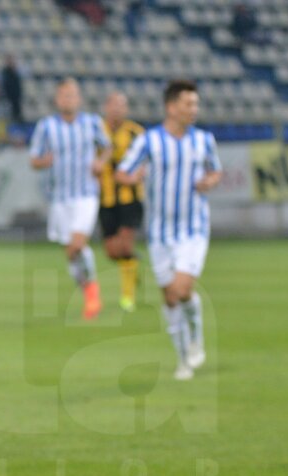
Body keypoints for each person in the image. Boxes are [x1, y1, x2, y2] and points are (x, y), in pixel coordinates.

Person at [116, 79, 222, 381]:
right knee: (170, 298)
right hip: (160, 232)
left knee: (182, 288)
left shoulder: (203, 140)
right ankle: (182, 360)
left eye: (195, 104)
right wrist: (133, 177)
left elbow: (215, 171)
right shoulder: (149, 141)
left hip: (194, 228)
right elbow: (122, 172)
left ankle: (196, 336)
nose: (194, 109)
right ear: (171, 107)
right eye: (189, 104)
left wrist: (209, 182)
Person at [29, 78, 110, 320]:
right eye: (64, 96)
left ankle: (93, 294)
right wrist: (45, 161)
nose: (69, 100)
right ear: (57, 100)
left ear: (79, 99)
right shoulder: (46, 127)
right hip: (59, 197)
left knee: (77, 243)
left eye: (73, 95)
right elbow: (34, 159)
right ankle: (88, 292)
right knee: (71, 253)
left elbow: (107, 147)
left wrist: (100, 162)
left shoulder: (92, 123)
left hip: (86, 194)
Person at [98, 91, 146, 313]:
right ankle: (133, 265)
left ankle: (128, 297)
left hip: (131, 197)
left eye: (122, 105)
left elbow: (148, 160)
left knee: (125, 244)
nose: (117, 109)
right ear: (106, 107)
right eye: (113, 104)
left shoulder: (136, 133)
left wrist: (138, 174)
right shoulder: (96, 131)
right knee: (112, 251)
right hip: (105, 198)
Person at [0, 55, 23, 124]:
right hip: (6, 98)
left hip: (15, 98)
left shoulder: (16, 73)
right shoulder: (4, 73)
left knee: (15, 113)